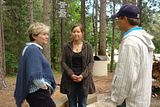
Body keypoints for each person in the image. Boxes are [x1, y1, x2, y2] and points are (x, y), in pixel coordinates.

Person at [110, 4, 155, 107]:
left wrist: (116, 100)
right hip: (142, 99)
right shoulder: (144, 40)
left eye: (118, 18)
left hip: (130, 101)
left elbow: (126, 78)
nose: (117, 21)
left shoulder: (130, 42)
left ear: (124, 18)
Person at [14, 22, 56, 107]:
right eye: (44, 34)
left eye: (47, 34)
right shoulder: (33, 50)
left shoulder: (29, 49)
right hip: (38, 93)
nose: (47, 37)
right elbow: (35, 75)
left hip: (34, 94)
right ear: (34, 36)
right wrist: (45, 86)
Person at [60, 24, 96, 107]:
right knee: (71, 104)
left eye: (78, 32)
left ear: (82, 33)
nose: (76, 34)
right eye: (74, 32)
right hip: (69, 80)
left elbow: (91, 62)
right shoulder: (67, 47)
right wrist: (71, 74)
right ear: (71, 33)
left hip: (84, 80)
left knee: (82, 104)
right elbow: (63, 62)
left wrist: (82, 75)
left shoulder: (88, 46)